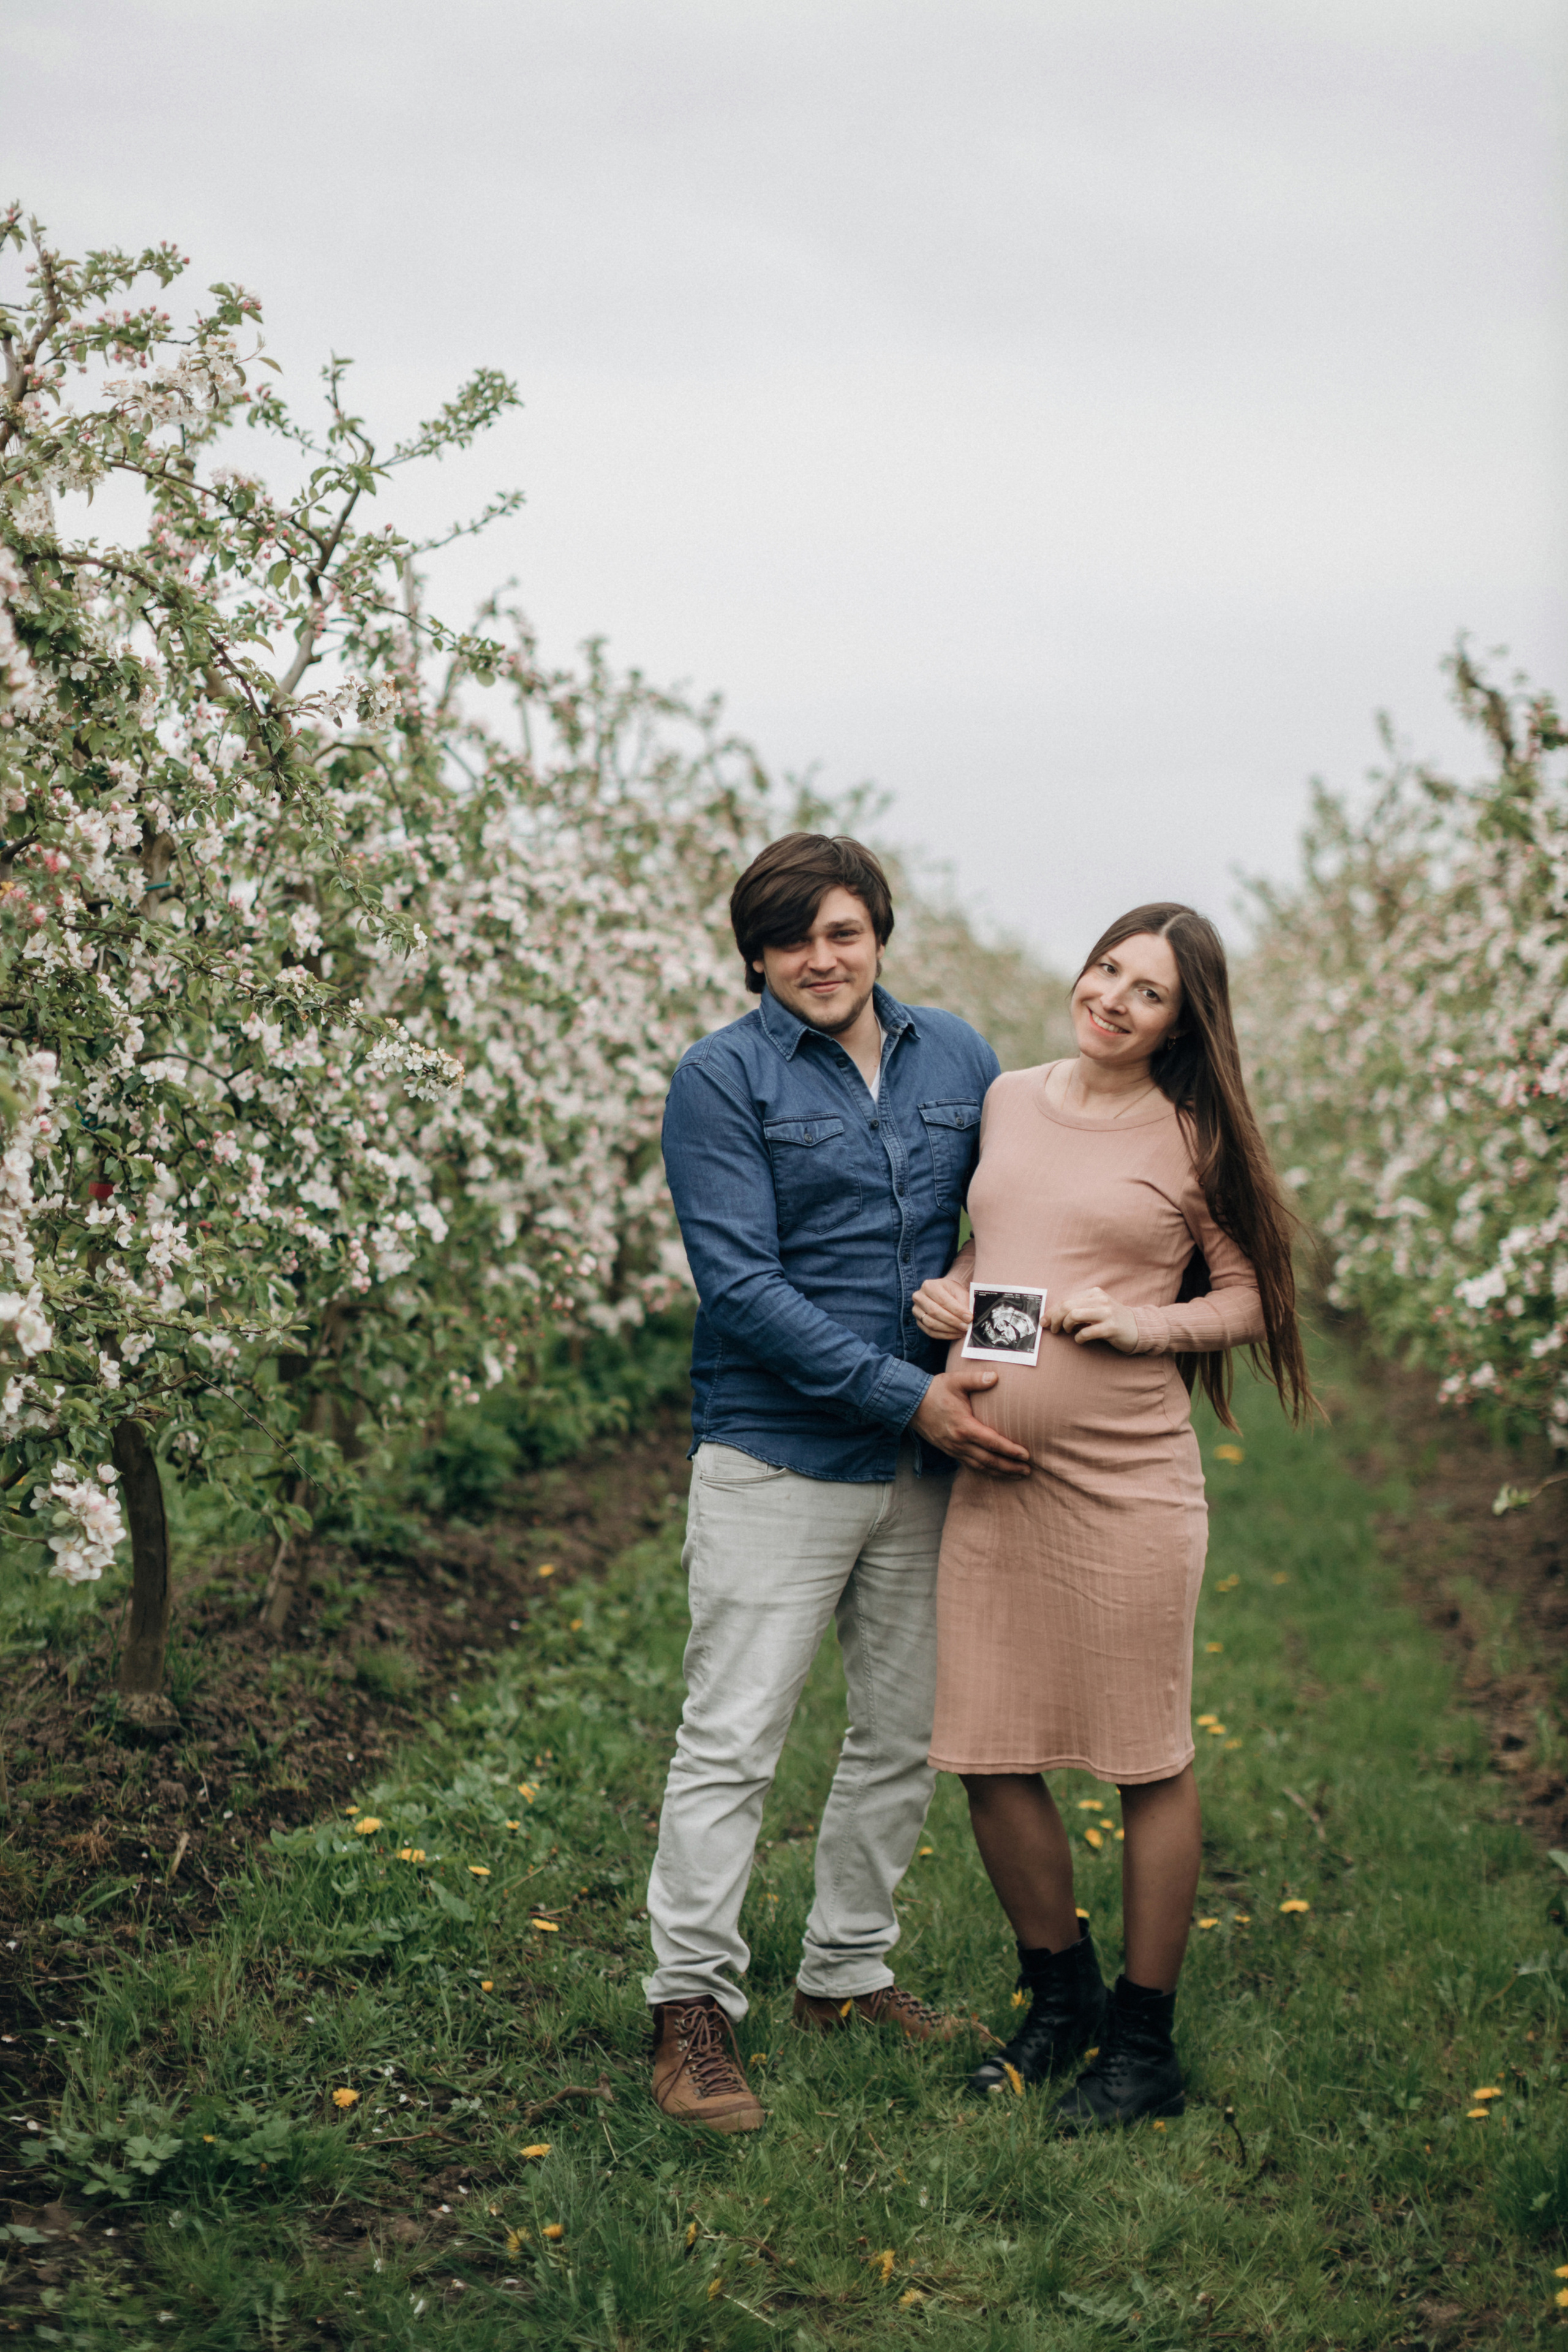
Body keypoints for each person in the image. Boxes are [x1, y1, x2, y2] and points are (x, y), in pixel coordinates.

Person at [646, 831, 1024, 2132]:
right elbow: (741, 1291)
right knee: (732, 1737)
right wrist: (903, 1392)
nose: (822, 957)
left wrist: (991, 1332)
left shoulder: (960, 1058)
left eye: (843, 932)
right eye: (792, 938)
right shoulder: (720, 1080)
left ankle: (846, 1972)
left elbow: (1016, 1225)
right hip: (775, 1453)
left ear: (878, 937)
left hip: (926, 1459)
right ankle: (690, 2009)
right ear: (755, 955)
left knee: (902, 1733)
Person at [912, 903, 1311, 2130]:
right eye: (1106, 970)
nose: (1114, 999)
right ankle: (1057, 1997)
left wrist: (1150, 1323)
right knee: (986, 1748)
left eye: (1149, 992)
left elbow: (1247, 1298)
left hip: (1128, 1480)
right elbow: (1005, 1253)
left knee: (1145, 1756)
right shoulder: (1009, 1100)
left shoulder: (1191, 1136)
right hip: (992, 1472)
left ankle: (1142, 2043)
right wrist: (958, 1296)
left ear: (1180, 1023)